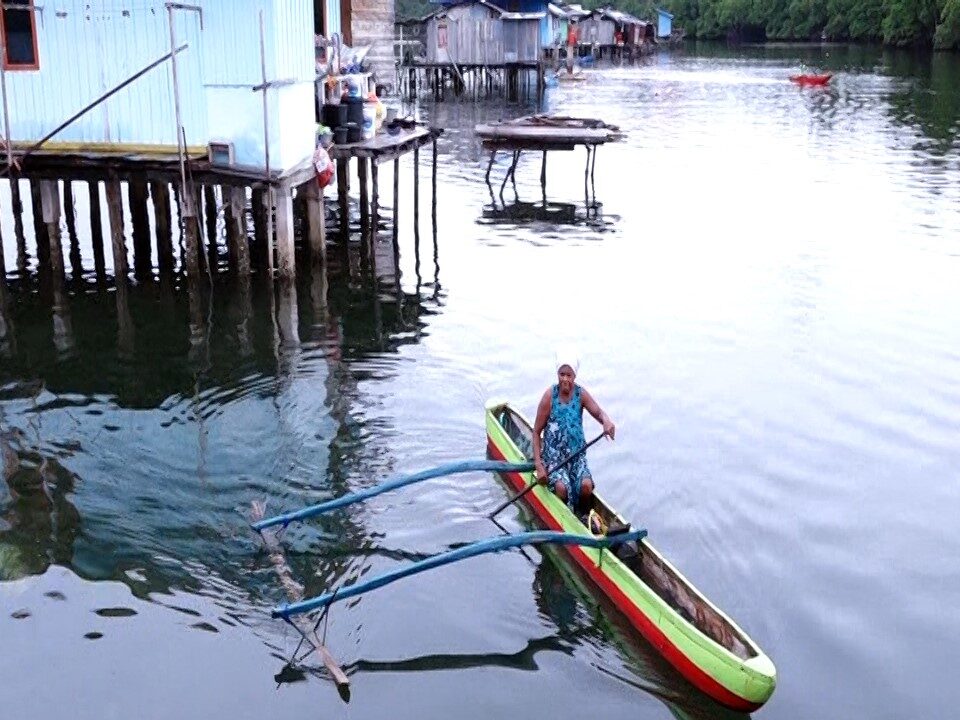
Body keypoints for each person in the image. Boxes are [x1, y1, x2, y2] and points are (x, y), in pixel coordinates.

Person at [532, 354, 615, 513]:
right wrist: (539, 465)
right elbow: (536, 432)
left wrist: (606, 421)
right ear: (557, 375)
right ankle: (561, 515)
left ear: (574, 376)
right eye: (561, 374)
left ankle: (583, 517)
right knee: (562, 488)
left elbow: (598, 412)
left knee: (586, 487)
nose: (565, 379)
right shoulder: (550, 396)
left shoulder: (580, 394)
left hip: (577, 457)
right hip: (555, 460)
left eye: (568, 375)